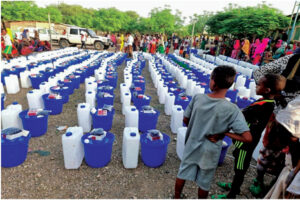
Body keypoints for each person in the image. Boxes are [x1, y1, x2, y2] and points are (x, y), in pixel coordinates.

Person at [174, 65, 252, 199]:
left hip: (192, 145)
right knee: (204, 183)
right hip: (210, 151)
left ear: (214, 82)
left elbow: (186, 119)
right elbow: (247, 138)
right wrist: (224, 133)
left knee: (183, 173)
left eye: (210, 78)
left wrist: (196, 127)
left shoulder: (198, 98)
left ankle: (176, 197)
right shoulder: (232, 109)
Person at [213, 74, 286, 199]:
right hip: (244, 141)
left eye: (259, 84)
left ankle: (232, 194)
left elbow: (240, 117)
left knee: (240, 169)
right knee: (238, 164)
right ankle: (234, 186)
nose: (256, 86)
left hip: (245, 144)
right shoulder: (266, 102)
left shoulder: (263, 106)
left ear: (267, 90)